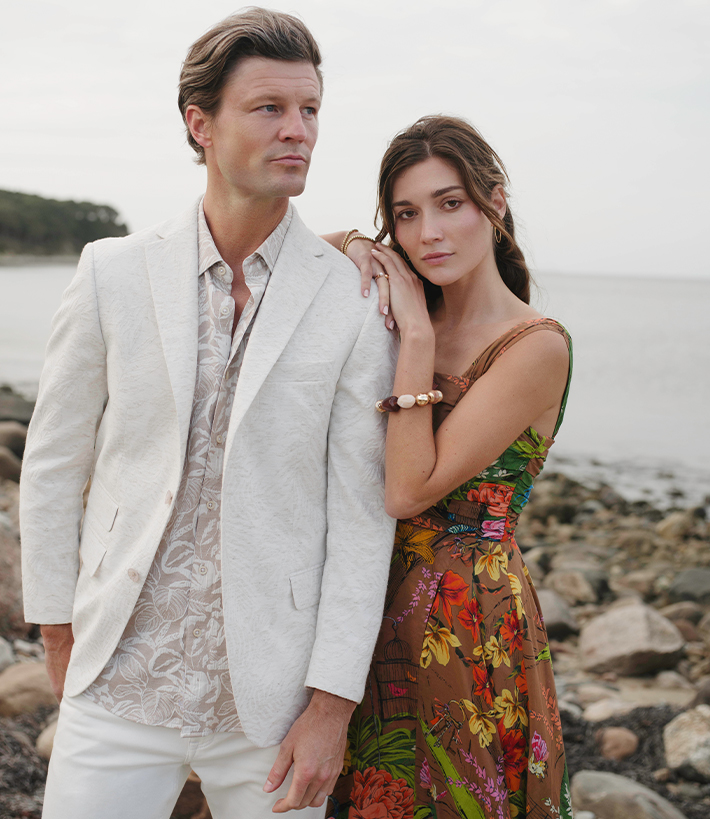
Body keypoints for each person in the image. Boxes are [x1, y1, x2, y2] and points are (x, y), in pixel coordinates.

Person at [19, 9, 397, 819]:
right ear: (201, 124)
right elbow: (52, 463)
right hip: (116, 677)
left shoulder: (352, 300)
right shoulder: (112, 273)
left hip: (271, 702)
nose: (298, 129)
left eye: (310, 110)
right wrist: (57, 631)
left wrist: (331, 706)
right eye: (269, 108)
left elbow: (362, 517)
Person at [328, 116, 574, 819]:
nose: (428, 232)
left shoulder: (534, 346)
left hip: (466, 625)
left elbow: (409, 488)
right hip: (363, 604)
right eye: (406, 214)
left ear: (494, 203)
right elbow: (287, 258)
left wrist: (416, 337)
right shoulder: (410, 296)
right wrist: (353, 243)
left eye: (450, 203)